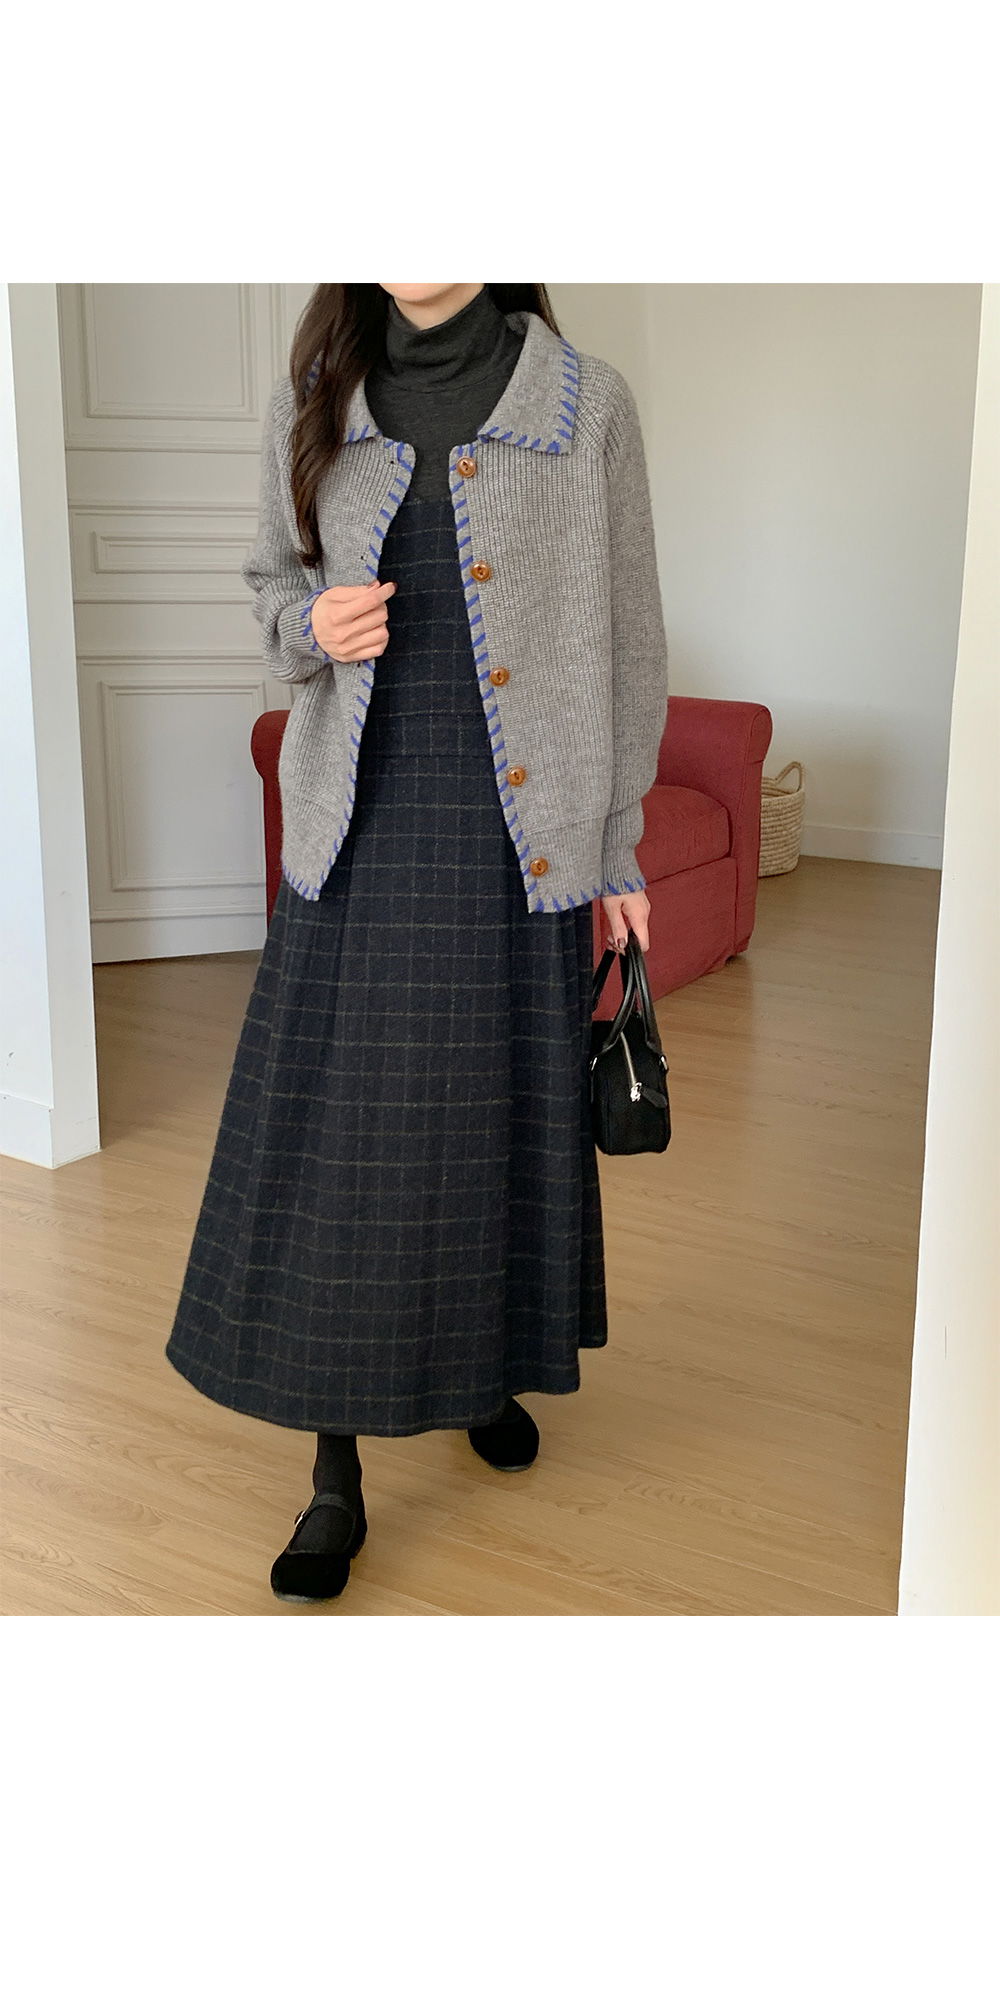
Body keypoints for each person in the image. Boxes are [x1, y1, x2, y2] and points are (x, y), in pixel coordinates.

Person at [165, 283, 667, 1603]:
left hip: (519, 842)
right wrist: (309, 628)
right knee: (346, 1147)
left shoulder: (588, 407)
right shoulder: (314, 395)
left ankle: (481, 1373)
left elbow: (630, 636)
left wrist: (618, 845)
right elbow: (272, 585)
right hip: (363, 828)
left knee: (492, 1122)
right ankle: (334, 1471)